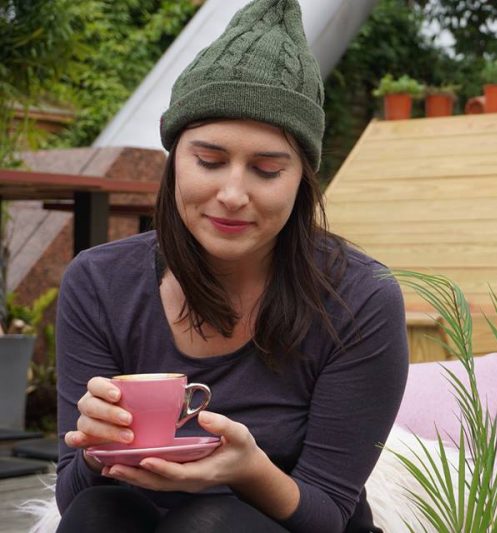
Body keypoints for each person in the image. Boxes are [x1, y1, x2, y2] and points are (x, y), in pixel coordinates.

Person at [54, 1, 409, 531]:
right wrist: (92, 447)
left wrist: (250, 470)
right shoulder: (100, 282)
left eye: (266, 170)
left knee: (213, 520)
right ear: (175, 160)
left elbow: (330, 514)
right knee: (97, 512)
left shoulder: (360, 298)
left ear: (302, 181)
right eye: (210, 161)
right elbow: (69, 496)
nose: (232, 194)